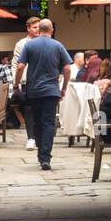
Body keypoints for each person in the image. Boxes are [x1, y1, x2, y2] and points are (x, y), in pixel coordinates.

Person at [15, 17, 72, 170]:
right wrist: (64, 87)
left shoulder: (29, 45)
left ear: (39, 29)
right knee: (48, 123)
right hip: (52, 91)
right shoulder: (58, 45)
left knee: (37, 122)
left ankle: (41, 152)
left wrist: (16, 84)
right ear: (52, 30)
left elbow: (20, 67)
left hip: (34, 91)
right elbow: (67, 69)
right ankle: (45, 157)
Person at [11, 14, 41, 146]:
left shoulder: (43, 41)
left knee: (40, 110)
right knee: (29, 110)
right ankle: (31, 138)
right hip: (26, 81)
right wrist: (16, 82)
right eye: (34, 27)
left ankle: (39, 136)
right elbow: (16, 64)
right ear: (28, 28)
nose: (37, 30)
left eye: (39, 27)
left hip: (41, 80)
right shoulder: (21, 44)